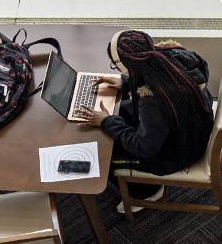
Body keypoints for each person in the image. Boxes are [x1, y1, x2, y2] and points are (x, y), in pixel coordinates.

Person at [74, 30, 214, 213]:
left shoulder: (154, 100)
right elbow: (163, 85)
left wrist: (107, 121)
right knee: (119, 113)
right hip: (190, 131)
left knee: (103, 148)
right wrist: (126, 83)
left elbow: (144, 147)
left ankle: (145, 192)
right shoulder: (173, 57)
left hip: (175, 155)